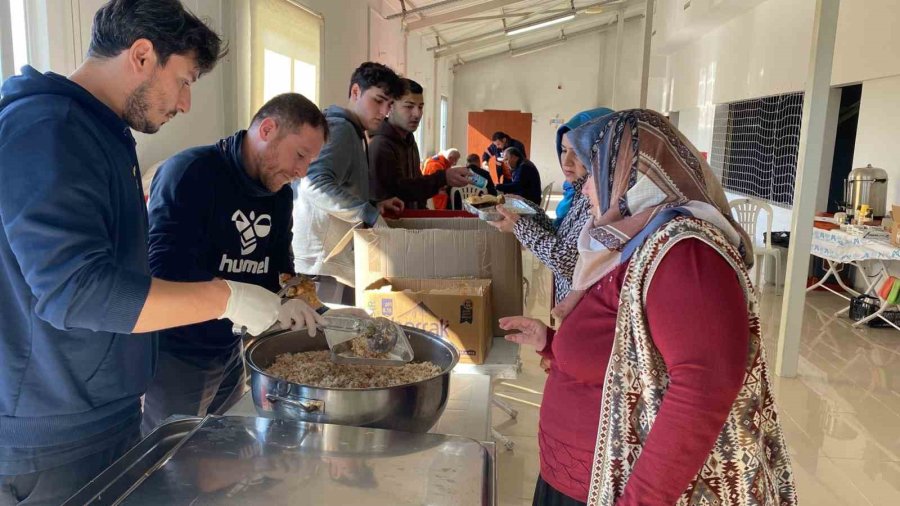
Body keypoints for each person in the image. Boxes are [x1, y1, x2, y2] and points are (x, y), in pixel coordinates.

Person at [0, 1, 314, 502]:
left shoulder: (102, 132)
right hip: (55, 435)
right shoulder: (50, 128)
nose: (186, 103)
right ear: (143, 55)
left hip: (104, 411)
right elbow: (76, 293)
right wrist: (226, 297)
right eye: (185, 80)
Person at [499, 109, 797, 505]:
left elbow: (703, 389)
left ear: (632, 175)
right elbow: (629, 354)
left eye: (597, 172)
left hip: (616, 487)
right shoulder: (631, 238)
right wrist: (552, 343)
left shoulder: (687, 252)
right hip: (579, 477)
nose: (587, 189)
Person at [142, 93, 328, 434]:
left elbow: (279, 266)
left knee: (218, 445)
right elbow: (164, 269)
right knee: (170, 455)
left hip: (232, 348)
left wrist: (313, 307)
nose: (302, 173)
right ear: (268, 129)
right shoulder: (191, 173)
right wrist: (235, 298)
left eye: (310, 162)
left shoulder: (280, 195)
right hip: (180, 350)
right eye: (300, 155)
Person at [292, 62, 405, 305]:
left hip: (328, 260)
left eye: (389, 105)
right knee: (327, 334)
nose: (384, 111)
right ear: (355, 92)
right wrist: (368, 213)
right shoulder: (341, 129)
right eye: (378, 100)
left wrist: (375, 203)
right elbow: (313, 183)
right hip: (322, 264)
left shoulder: (352, 131)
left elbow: (339, 184)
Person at [487, 108, 612, 308]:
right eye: (563, 150)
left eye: (579, 152)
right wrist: (525, 205)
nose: (567, 161)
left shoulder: (606, 201)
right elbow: (559, 234)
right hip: (567, 303)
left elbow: (570, 263)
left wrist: (520, 228)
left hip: (584, 308)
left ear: (604, 153)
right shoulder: (582, 191)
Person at [369, 79, 469, 210]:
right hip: (390, 226)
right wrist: (443, 177)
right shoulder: (380, 144)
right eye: (409, 106)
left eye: (420, 107)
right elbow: (398, 190)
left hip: (412, 223)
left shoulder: (409, 140)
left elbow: (416, 186)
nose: (417, 114)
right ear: (390, 106)